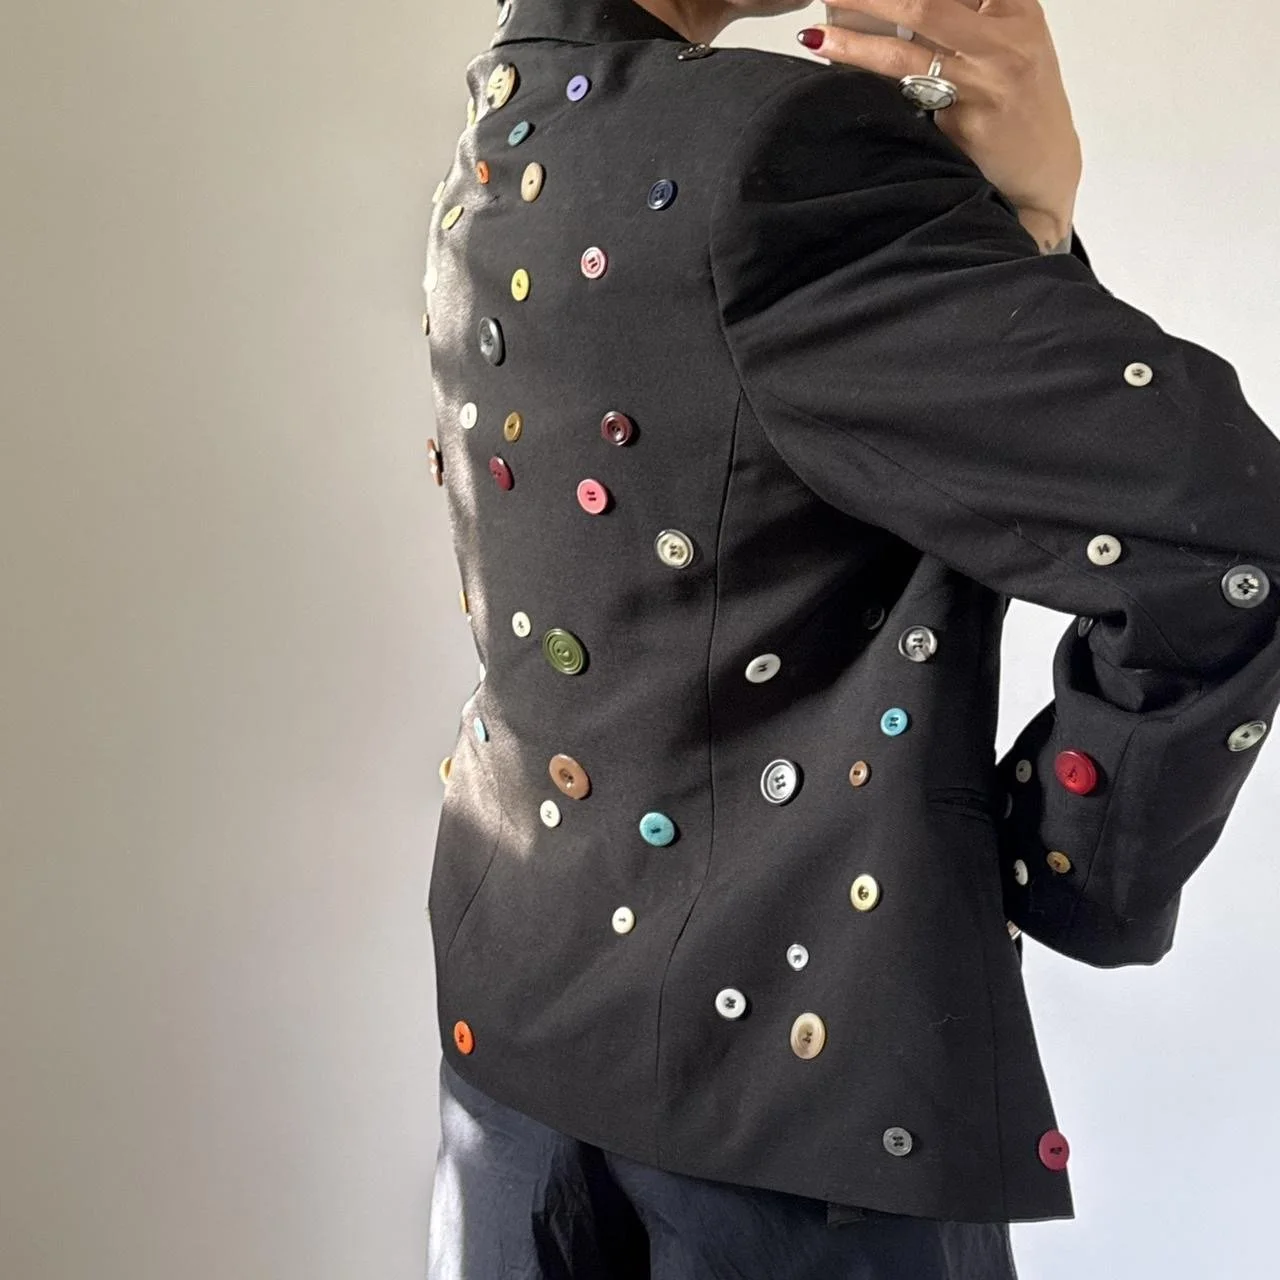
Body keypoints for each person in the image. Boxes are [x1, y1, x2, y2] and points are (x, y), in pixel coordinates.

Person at [420, 2, 1280, 1276]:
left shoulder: (507, 122)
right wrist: (1065, 864)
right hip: (783, 1126)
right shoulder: (771, 149)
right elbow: (1222, 537)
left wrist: (1028, 227)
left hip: (509, 1049)